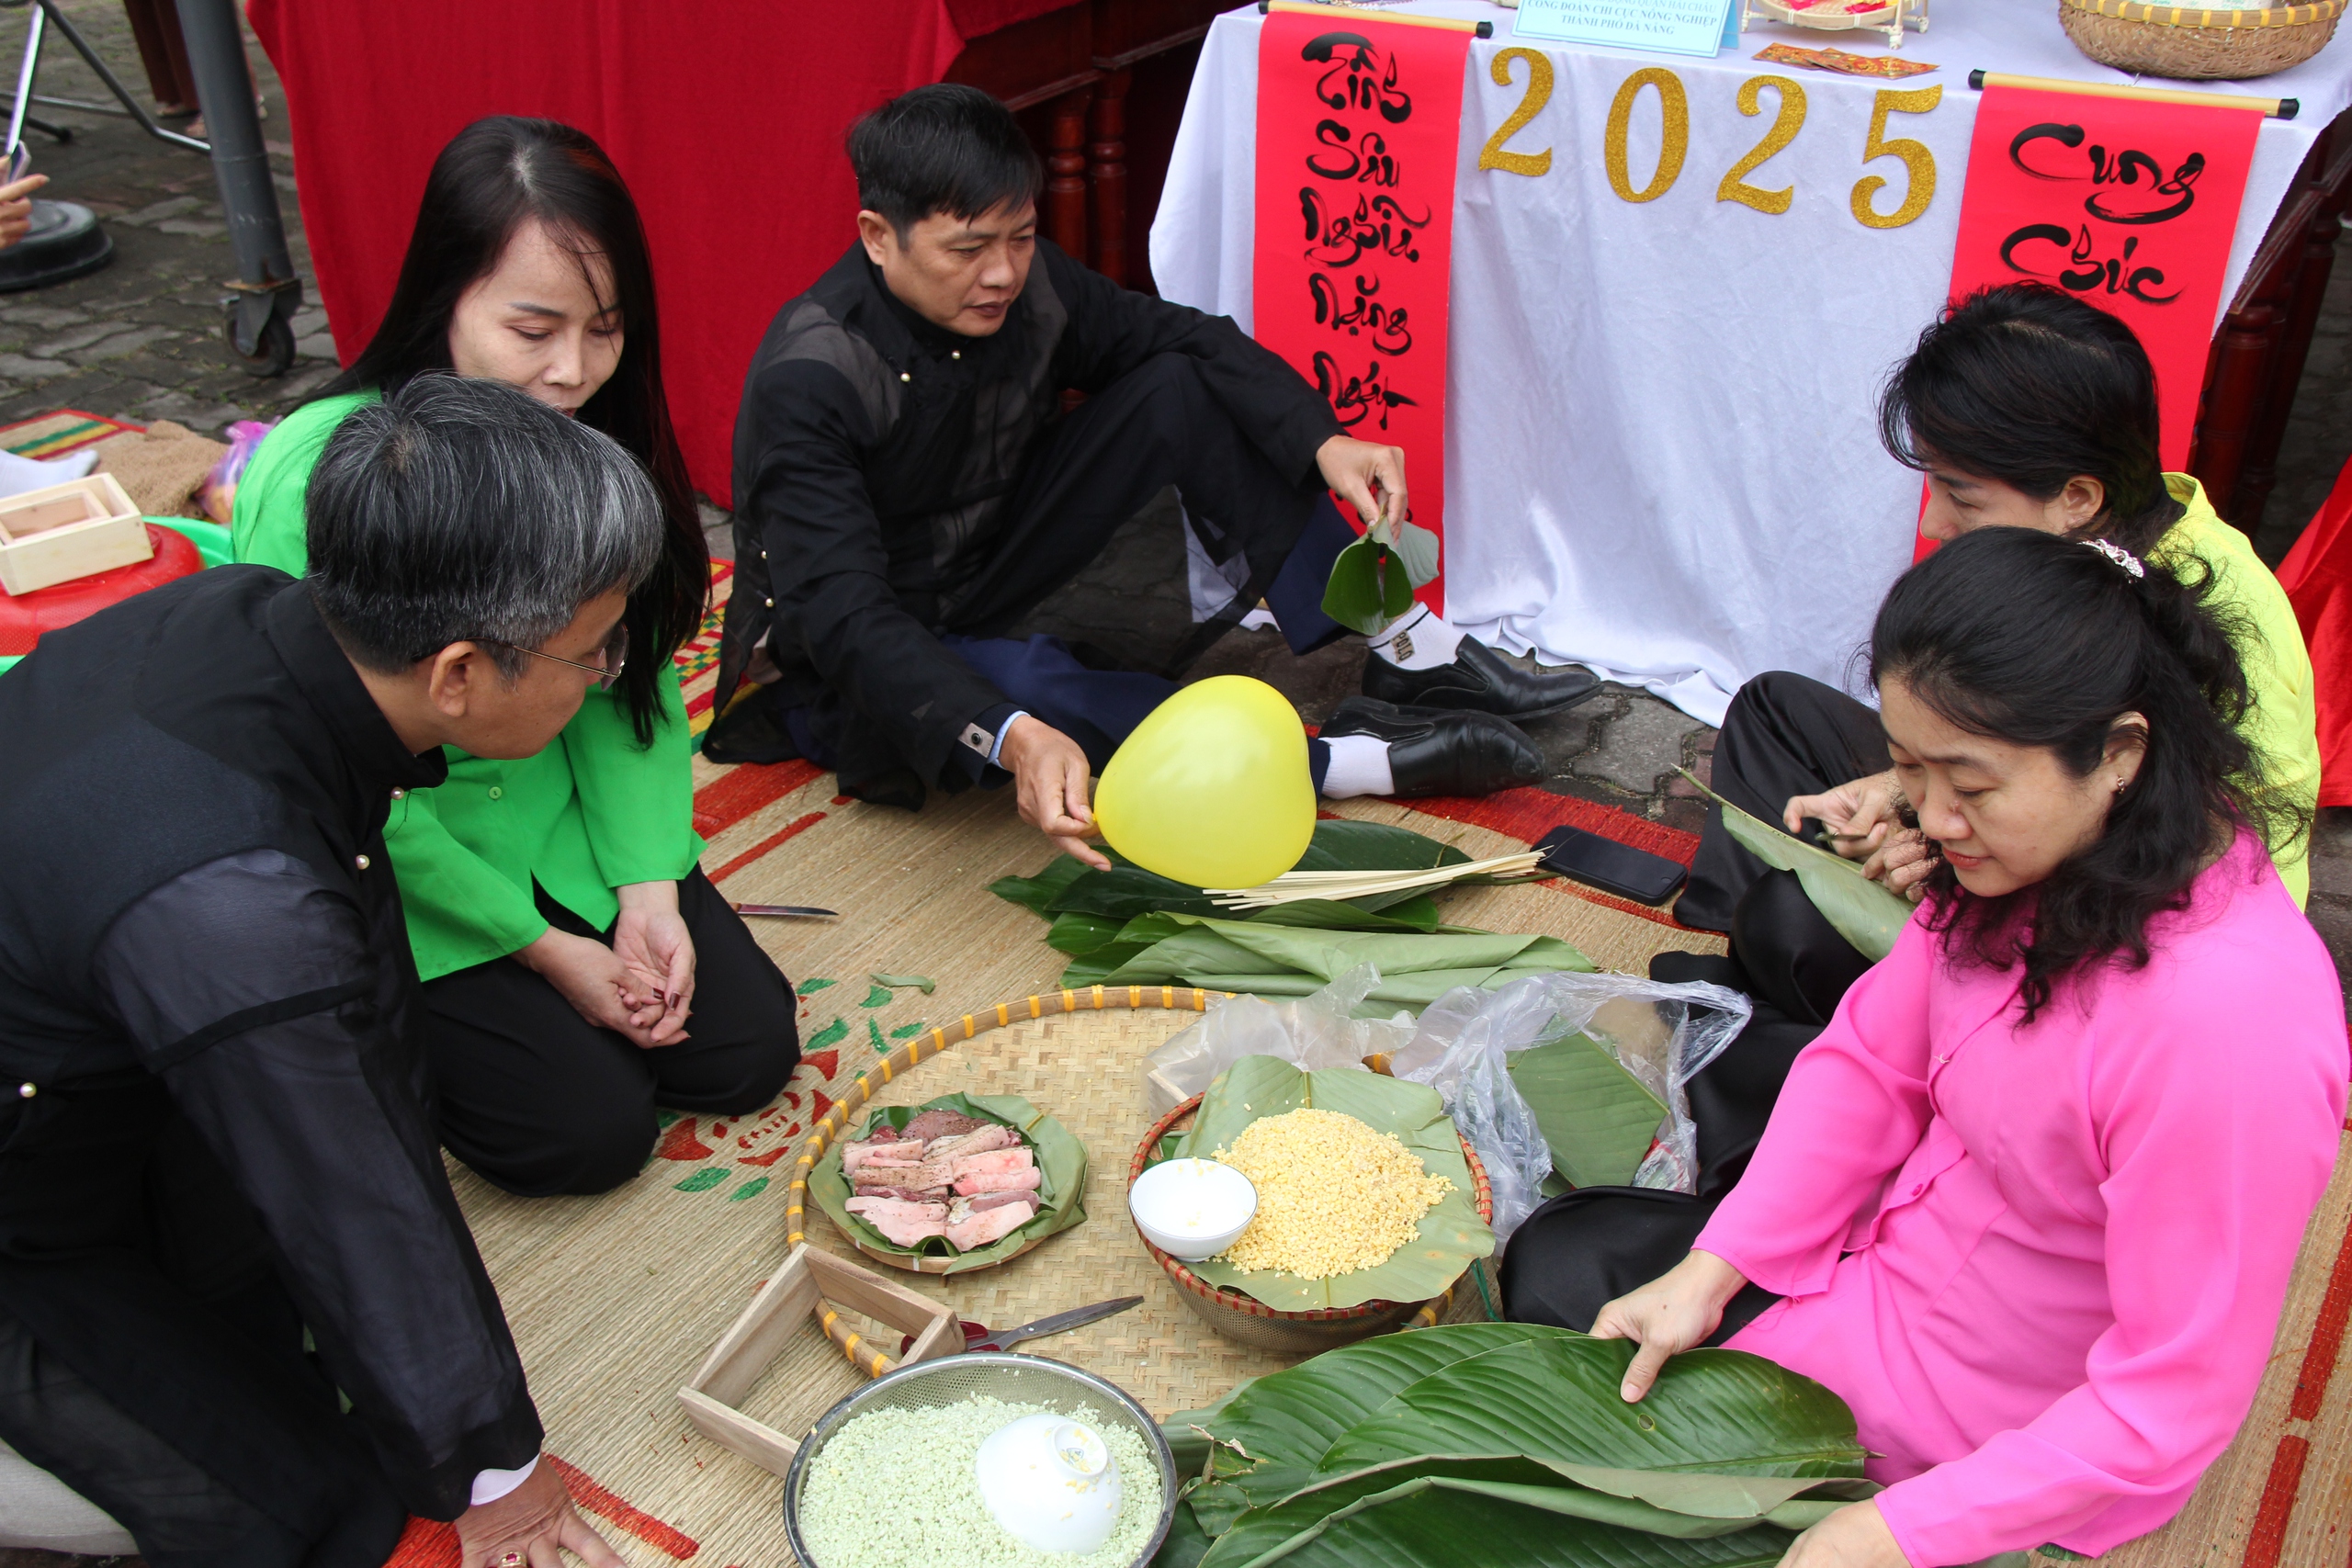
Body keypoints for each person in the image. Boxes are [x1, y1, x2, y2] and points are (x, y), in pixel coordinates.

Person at [1503, 526, 2345, 1567]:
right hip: (1884, 1264)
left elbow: (2169, 1393)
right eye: (1908, 770)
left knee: (1564, 1336)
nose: (1934, 819)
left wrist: (1893, 1529)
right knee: (1563, 1264)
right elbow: (1871, 1059)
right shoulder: (2049, 852)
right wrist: (1716, 1267)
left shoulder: (2226, 1029)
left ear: (2120, 753)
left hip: (2001, 1409)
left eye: (1972, 786)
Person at [0, 378, 647, 1568]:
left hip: (120, 1077)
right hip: (28, 1199)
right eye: (593, 647)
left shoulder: (259, 611)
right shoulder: (235, 899)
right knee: (319, 1512)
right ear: (457, 670)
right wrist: (500, 1479)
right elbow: (346, 1184)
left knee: (313, 1339)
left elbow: (346, 1076)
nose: (610, 667)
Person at [711, 84, 1599, 869]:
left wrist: (1324, 441)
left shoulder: (1028, 283)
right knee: (1041, 699)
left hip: (1002, 553)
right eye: (968, 248)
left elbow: (1187, 337)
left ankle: (1407, 645)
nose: (1002, 272)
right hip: (888, 629)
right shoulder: (811, 380)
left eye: (1021, 236)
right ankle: (1345, 764)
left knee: (1179, 386)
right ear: (878, 237)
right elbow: (844, 618)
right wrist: (1012, 738)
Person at [233, 116, 798, 1196]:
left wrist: (646, 890)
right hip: (399, 857)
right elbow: (326, 752)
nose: (572, 371)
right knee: (582, 1135)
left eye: (606, 329)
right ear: (444, 296)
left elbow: (627, 684)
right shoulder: (330, 472)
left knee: (742, 1054)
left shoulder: (597, 435)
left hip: (559, 825)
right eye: (531, 328)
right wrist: (539, 945)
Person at [1679, 285, 2321, 1017]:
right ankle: (1718, 972)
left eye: (1962, 495)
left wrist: (1943, 864)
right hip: (2031, 832)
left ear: (2078, 496)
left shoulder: (2205, 631)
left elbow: (2194, 897)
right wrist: (1904, 791)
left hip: (2103, 941)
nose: (1935, 523)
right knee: (1774, 710)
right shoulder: (2092, 536)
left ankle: (1781, 1023)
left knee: (1788, 921)